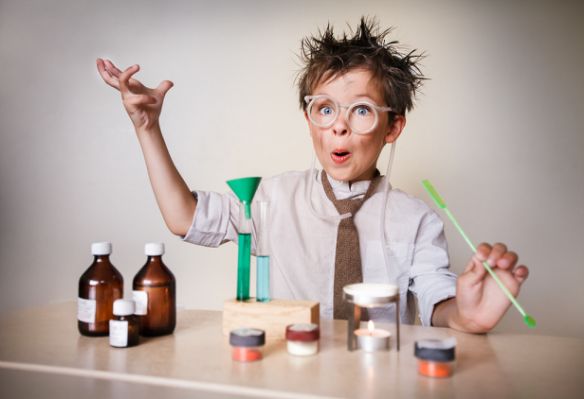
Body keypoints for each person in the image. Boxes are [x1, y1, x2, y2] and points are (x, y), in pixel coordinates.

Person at [96, 18, 529, 333]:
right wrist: (147, 128)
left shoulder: (417, 221)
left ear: (392, 127)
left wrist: (467, 314)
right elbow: (184, 217)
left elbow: (440, 303)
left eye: (361, 110)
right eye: (325, 109)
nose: (339, 126)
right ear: (309, 120)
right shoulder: (270, 199)